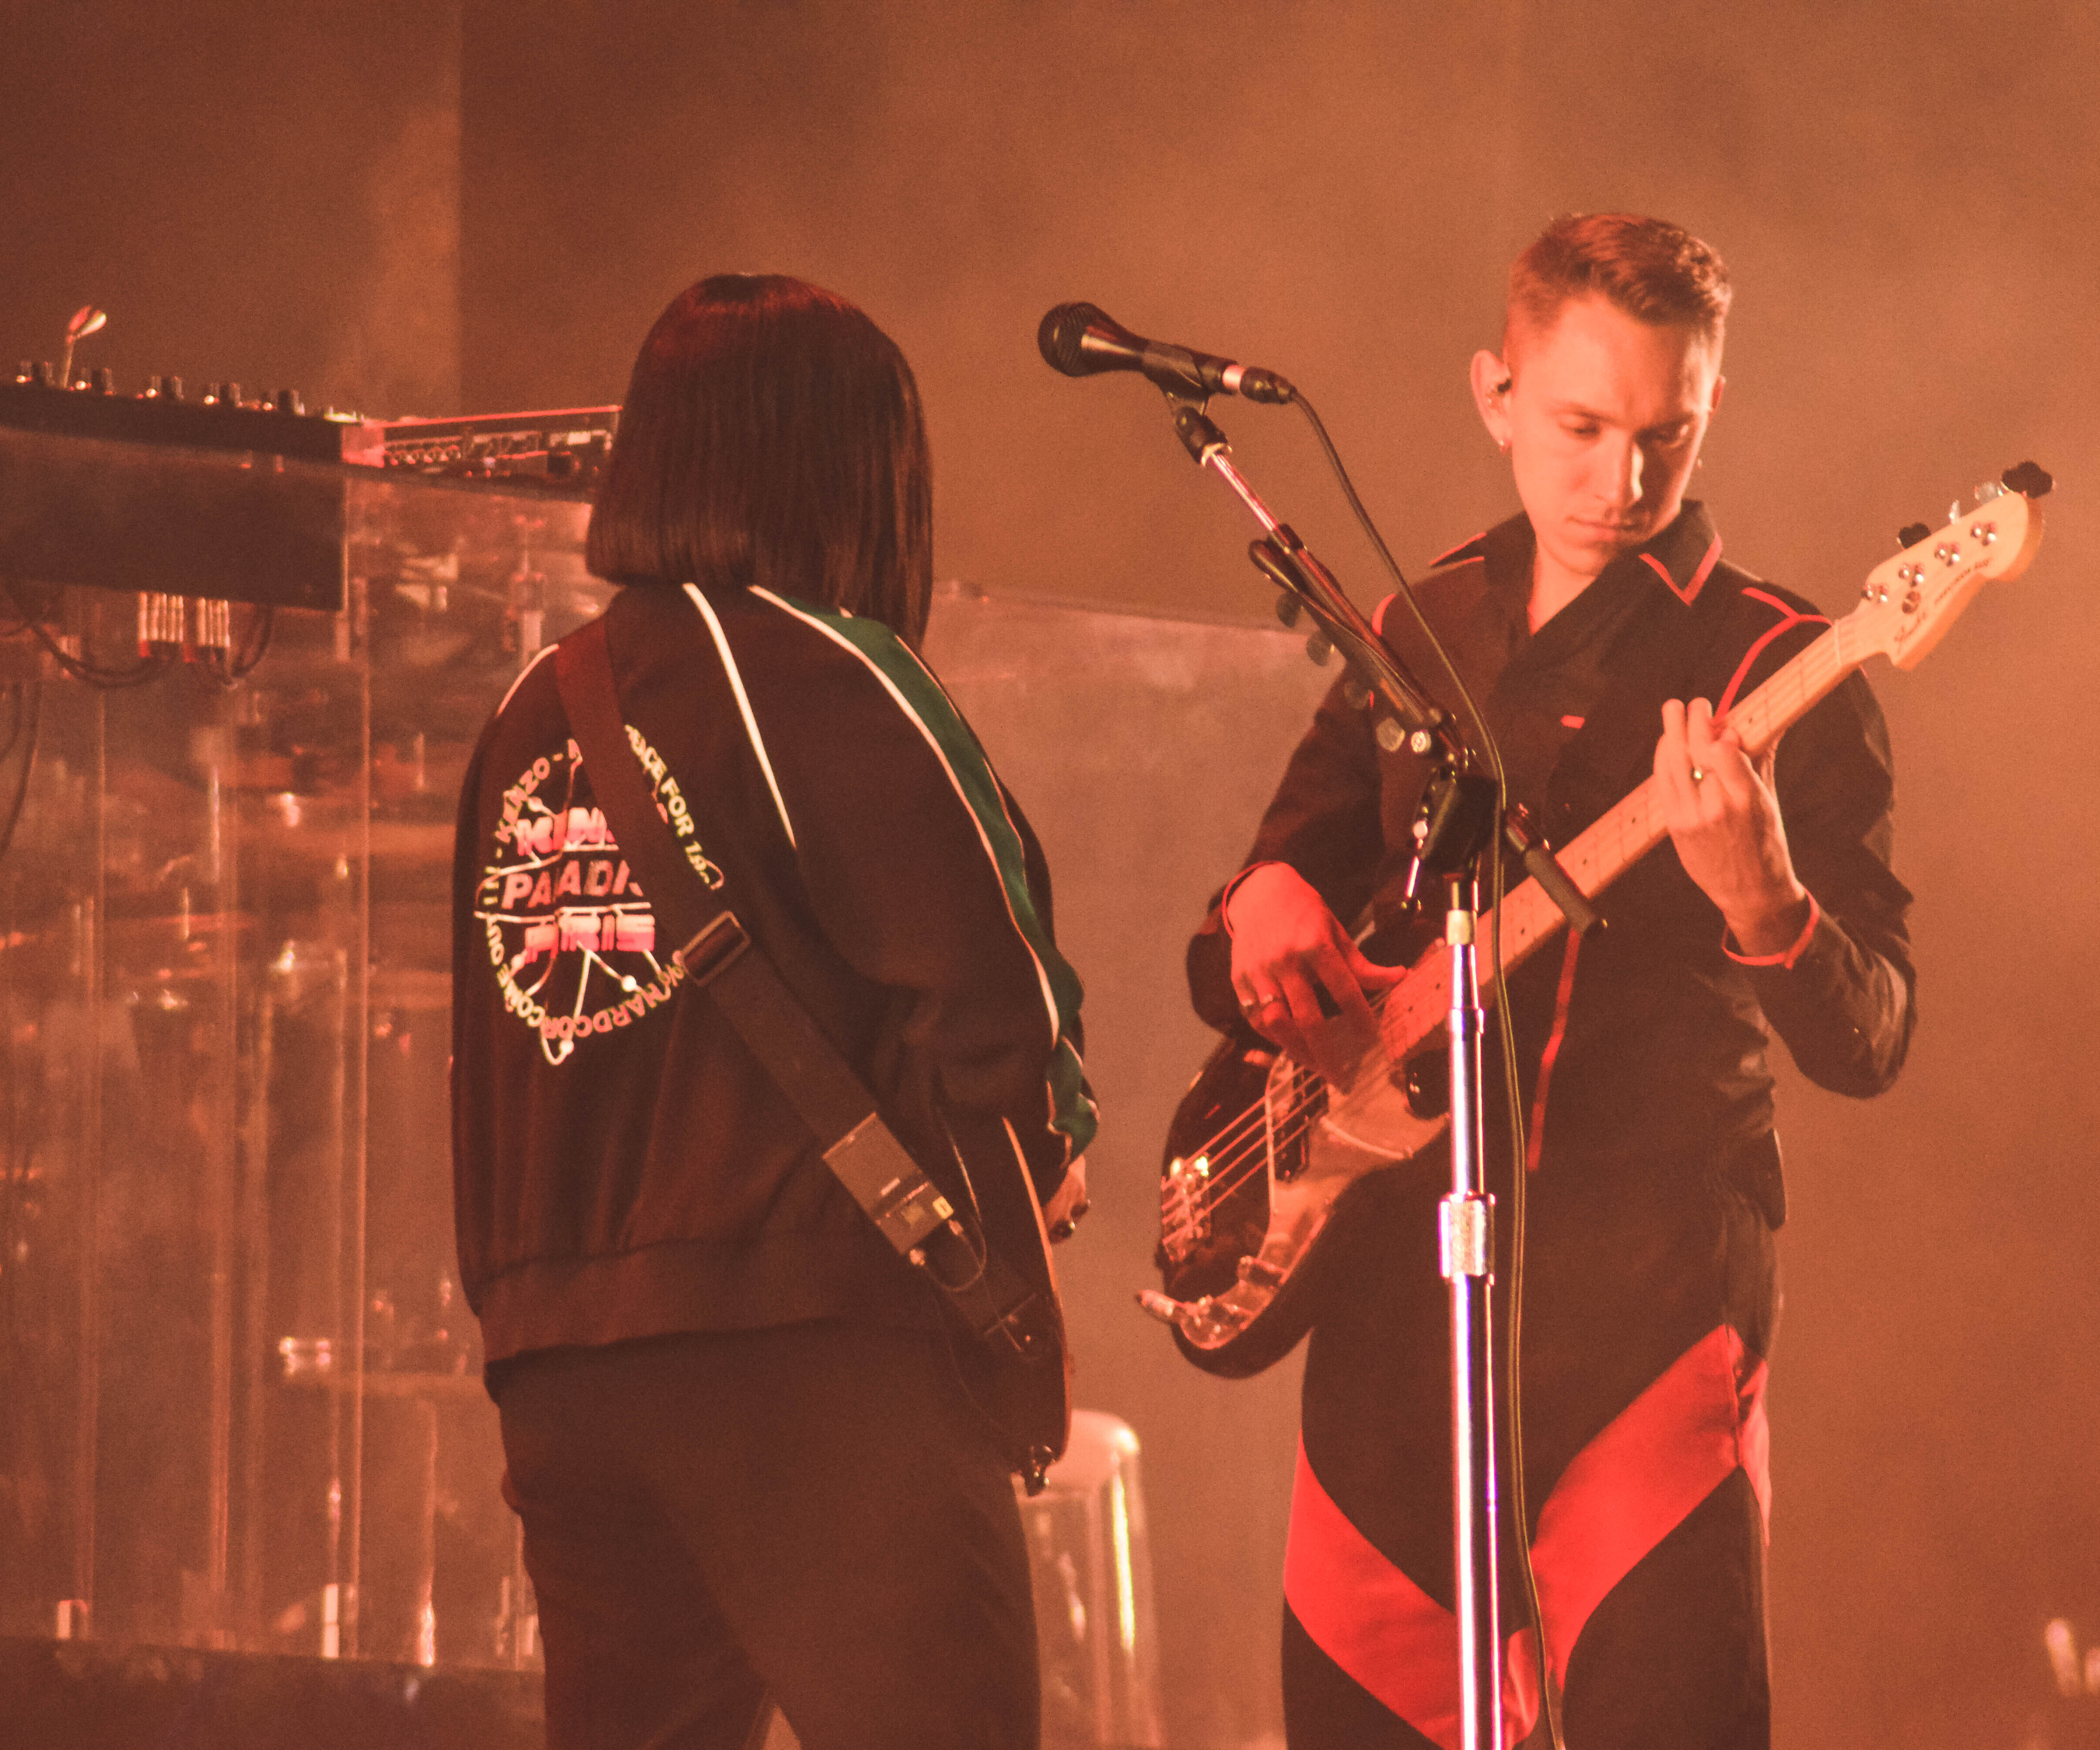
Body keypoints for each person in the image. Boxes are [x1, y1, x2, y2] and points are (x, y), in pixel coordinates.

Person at [1188, 215, 1915, 1748]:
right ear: (1497, 395)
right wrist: (1255, 904)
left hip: (1647, 1308)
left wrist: (1766, 900)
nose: (1623, 482)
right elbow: (1248, 930)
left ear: (1712, 409)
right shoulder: (1420, 626)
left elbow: (1872, 1036)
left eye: (1667, 435)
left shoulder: (1785, 665)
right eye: (1583, 429)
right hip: (1394, 1301)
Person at [451, 274, 1095, 1750]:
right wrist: (1050, 1159)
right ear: (852, 471)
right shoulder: (827, 668)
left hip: (562, 1370)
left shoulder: (529, 707)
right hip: (815, 1348)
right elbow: (1005, 1006)